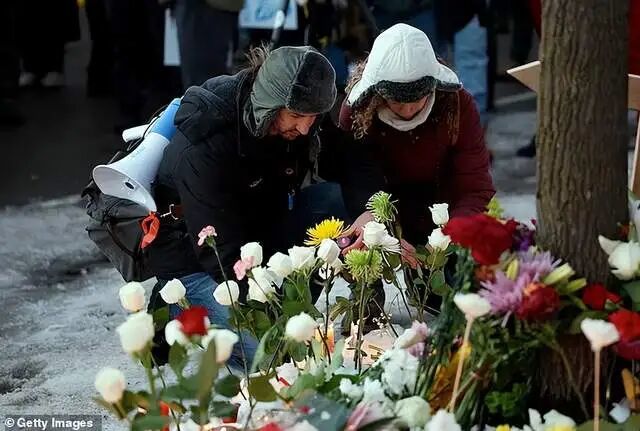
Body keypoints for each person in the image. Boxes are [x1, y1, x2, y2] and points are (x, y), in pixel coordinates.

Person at [146, 45, 339, 367]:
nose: (305, 128)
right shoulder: (205, 142)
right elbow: (217, 250)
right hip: (199, 259)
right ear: (269, 103)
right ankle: (175, 305)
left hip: (256, 235)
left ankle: (285, 314)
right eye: (296, 116)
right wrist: (268, 309)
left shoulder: (300, 114)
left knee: (333, 202)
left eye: (312, 117)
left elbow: (352, 159)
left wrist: (366, 215)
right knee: (272, 356)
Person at [338, 23, 495, 261]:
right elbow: (355, 181)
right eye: (397, 102)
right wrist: (378, 232)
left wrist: (448, 237)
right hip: (381, 218)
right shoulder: (357, 112)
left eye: (418, 99)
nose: (408, 109)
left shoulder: (457, 105)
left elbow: (474, 186)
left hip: (445, 215)